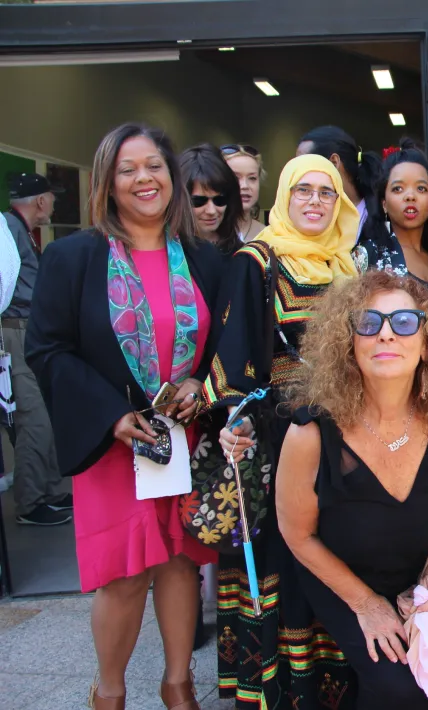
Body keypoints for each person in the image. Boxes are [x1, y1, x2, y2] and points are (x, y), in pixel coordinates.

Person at [25, 123, 223, 710]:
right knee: (127, 572)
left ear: (173, 178)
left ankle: (178, 684)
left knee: (183, 562)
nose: (144, 179)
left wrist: (200, 382)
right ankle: (109, 691)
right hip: (116, 441)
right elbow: (48, 349)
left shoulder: (204, 260)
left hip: (183, 437)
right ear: (107, 183)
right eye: (128, 169)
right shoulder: (72, 257)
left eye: (154, 166)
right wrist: (111, 416)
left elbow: (222, 343)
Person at [278, 271, 428, 709]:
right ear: (349, 344)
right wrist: (367, 604)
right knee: (399, 686)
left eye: (405, 323)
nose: (386, 334)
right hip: (345, 576)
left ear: (427, 344)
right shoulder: (310, 433)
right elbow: (297, 534)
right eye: (368, 323)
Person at [207, 154, 360, 709]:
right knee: (288, 557)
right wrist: (237, 420)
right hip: (279, 437)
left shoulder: (348, 263)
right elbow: (235, 353)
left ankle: (339, 684)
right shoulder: (257, 261)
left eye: (327, 192)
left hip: (346, 433)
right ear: (286, 197)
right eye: (304, 191)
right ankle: (289, 690)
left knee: (339, 552)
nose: (315, 201)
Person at [2, 172, 71, 526]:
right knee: (34, 419)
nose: (54, 203)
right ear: (41, 200)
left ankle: (50, 491)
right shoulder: (8, 231)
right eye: (52, 197)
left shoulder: (19, 231)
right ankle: (30, 503)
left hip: (33, 331)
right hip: (16, 332)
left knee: (48, 411)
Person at [353, 139, 428, 308]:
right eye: (398, 189)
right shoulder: (367, 255)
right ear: (384, 203)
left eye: (421, 188)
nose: (410, 196)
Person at [296, 125, 384, 242]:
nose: (297, 174)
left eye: (303, 165)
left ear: (334, 162)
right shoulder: (309, 216)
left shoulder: (384, 215)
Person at [180, 144, 244, 255]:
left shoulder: (241, 254)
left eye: (219, 200)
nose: (211, 211)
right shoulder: (170, 252)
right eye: (199, 201)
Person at [221, 144, 267, 241]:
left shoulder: (268, 236)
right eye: (236, 178)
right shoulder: (203, 234)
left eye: (252, 178)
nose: (245, 186)